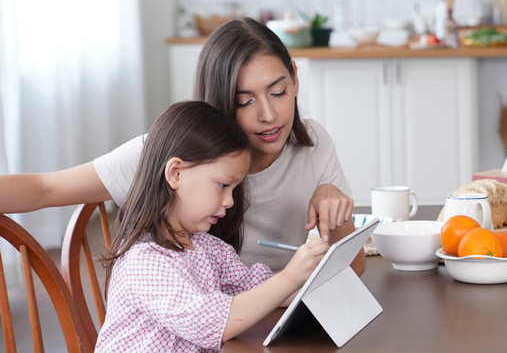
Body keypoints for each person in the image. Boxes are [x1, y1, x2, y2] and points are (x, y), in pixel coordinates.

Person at [0, 18, 363, 274]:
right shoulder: (174, 154)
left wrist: (338, 211)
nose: (268, 114)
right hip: (202, 333)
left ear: (296, 79)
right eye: (244, 100)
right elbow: (44, 188)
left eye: (278, 92)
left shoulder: (313, 143)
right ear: (220, 100)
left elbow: (355, 269)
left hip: (282, 316)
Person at [84, 102, 330, 353]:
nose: (230, 201)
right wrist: (290, 276)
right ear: (176, 173)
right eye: (224, 185)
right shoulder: (144, 259)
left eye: (235, 189)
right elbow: (212, 323)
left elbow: (260, 292)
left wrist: (311, 277)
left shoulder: (208, 249)